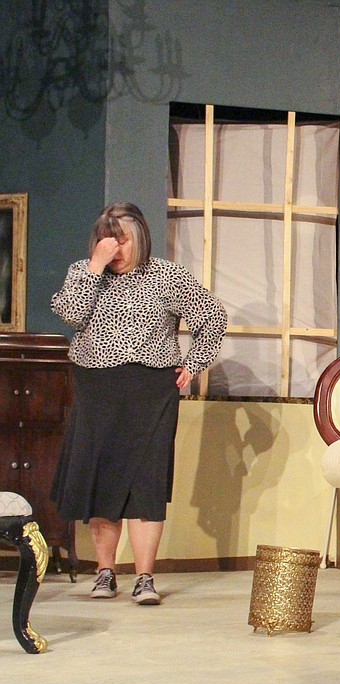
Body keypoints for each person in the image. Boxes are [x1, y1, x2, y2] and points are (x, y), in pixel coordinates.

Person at [51, 202, 227, 604]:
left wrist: (194, 363)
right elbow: (70, 314)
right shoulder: (84, 273)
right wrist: (94, 267)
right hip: (96, 388)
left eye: (121, 238)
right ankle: (105, 571)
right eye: (105, 238)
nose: (113, 246)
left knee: (146, 482)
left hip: (150, 390)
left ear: (140, 238)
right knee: (100, 480)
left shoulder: (166, 276)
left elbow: (213, 317)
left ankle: (145, 577)